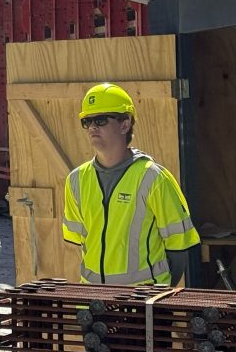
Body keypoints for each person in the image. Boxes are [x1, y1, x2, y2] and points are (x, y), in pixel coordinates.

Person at [62, 83, 200, 285]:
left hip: (141, 306)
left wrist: (160, 296)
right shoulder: (75, 180)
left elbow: (179, 248)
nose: (92, 127)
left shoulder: (153, 178)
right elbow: (80, 244)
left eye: (100, 119)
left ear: (125, 124)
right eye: (87, 121)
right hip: (91, 303)